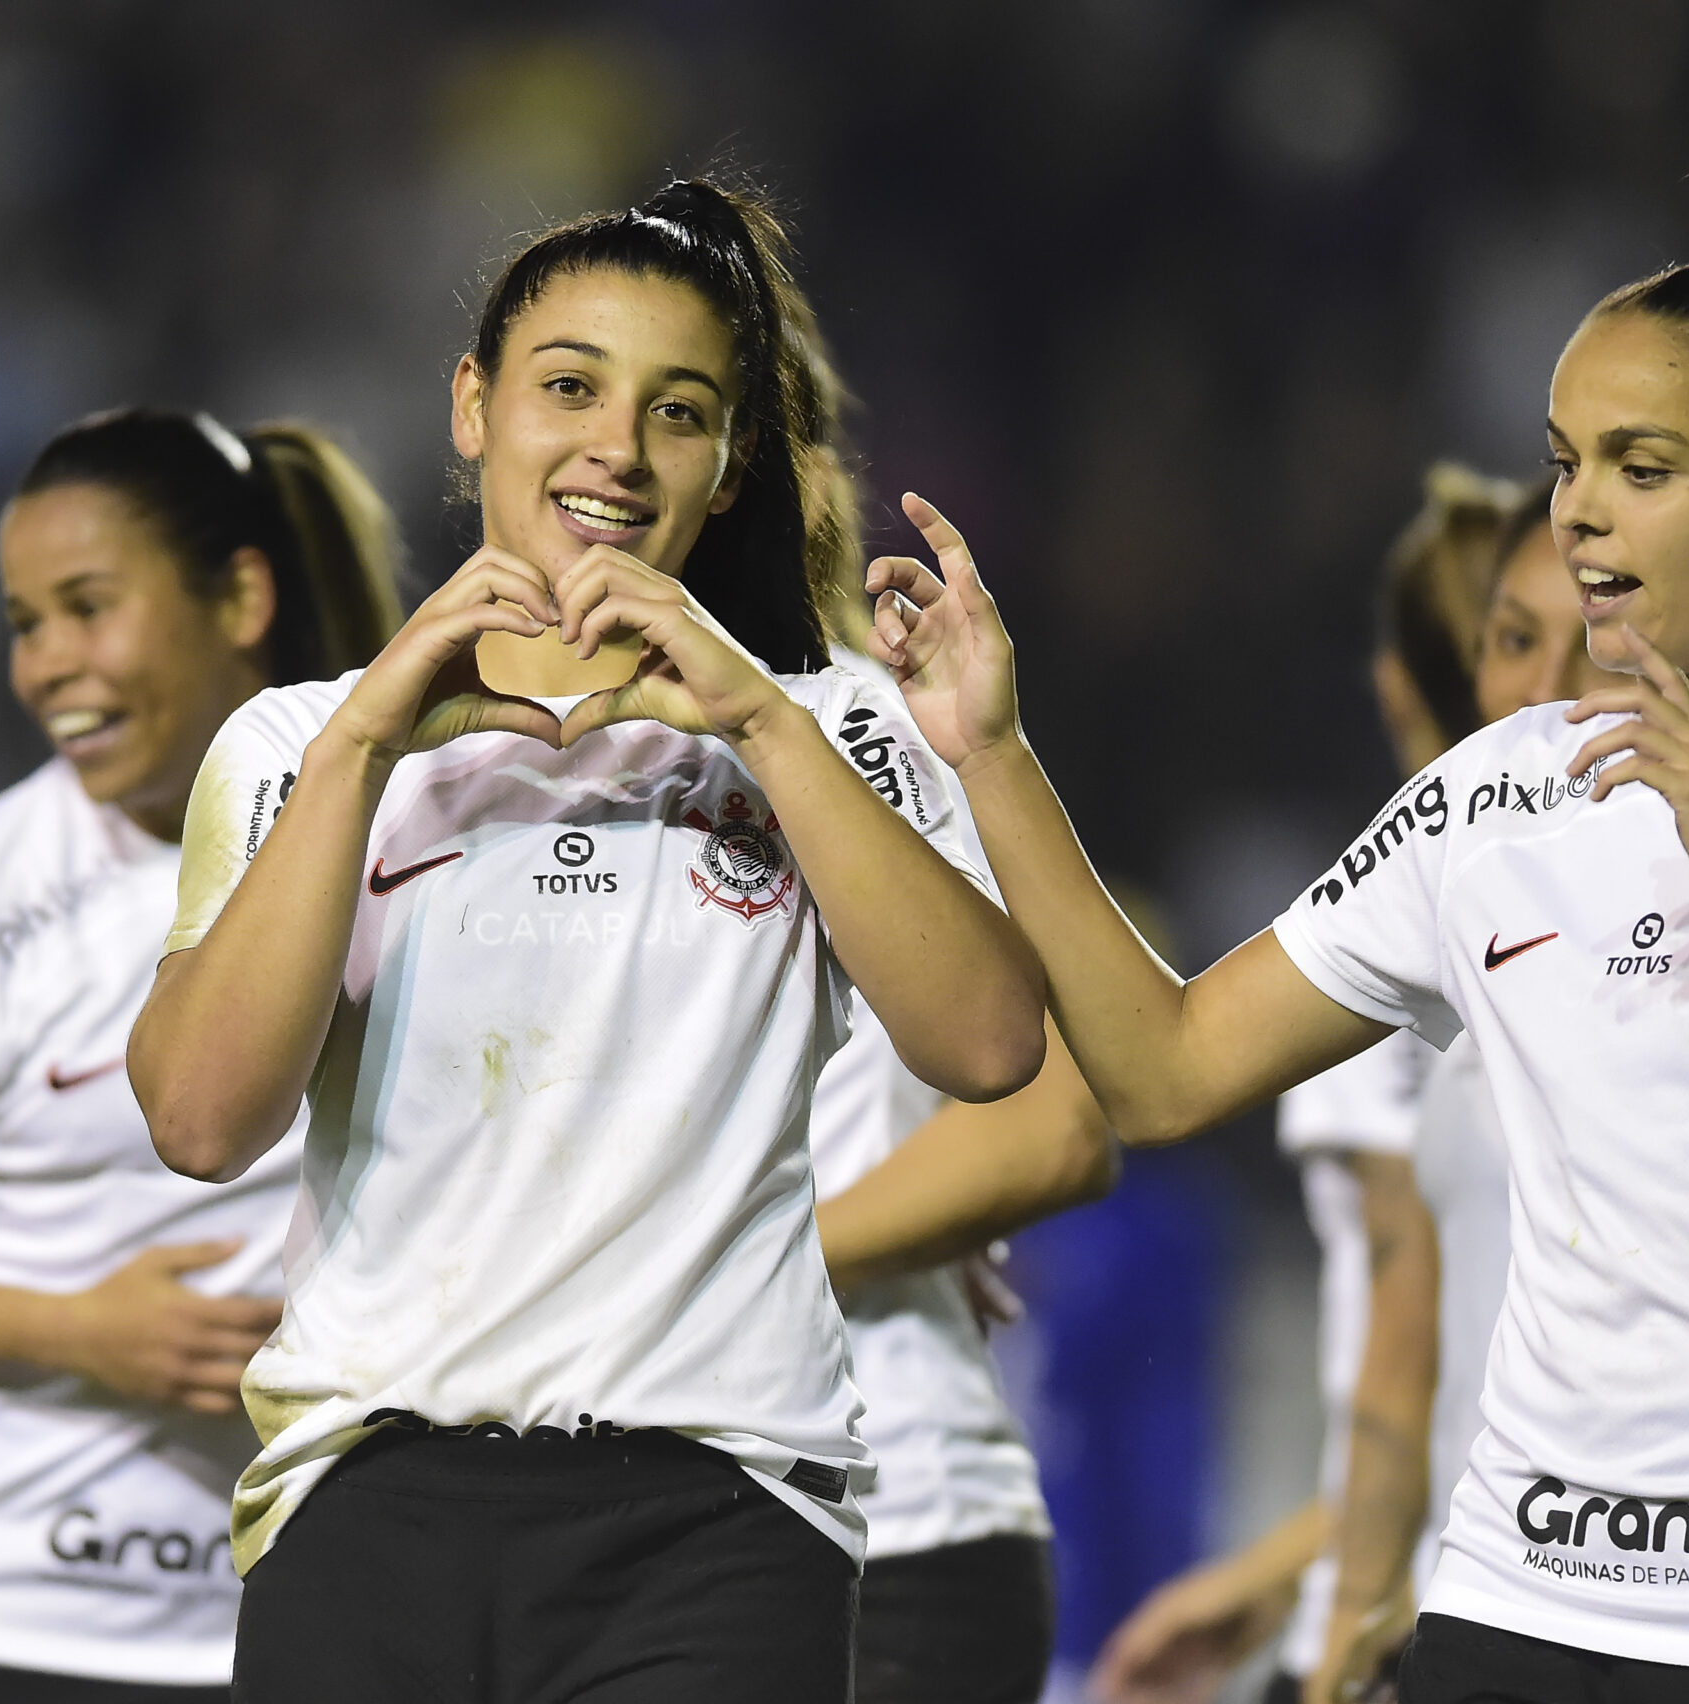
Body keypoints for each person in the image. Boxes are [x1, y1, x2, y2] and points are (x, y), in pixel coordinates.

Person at [868, 123, 1689, 1702]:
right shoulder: (1499, 793)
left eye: (1643, 468)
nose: (1578, 512)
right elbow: (1161, 1069)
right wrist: (996, 755)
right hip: (1530, 1604)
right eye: (1567, 461)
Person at [128, 178, 1047, 1704]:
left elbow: (994, 1044)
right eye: (569, 387)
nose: (617, 448)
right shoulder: (303, 741)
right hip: (366, 1505)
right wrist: (369, 739)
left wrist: (753, 709)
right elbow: (200, 1117)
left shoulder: (832, 730)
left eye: (677, 412)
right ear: (473, 406)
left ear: (736, 460)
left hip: (717, 1519)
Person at [0, 408, 405, 1702]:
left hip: (306, 1616)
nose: (45, 664)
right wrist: (85, 1332)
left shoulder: (414, 838)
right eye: (23, 621)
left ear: (241, 596)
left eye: (86, 607)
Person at [1092, 470, 1602, 1704]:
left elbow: (1404, 1371)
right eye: (1510, 639)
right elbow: (1424, 1390)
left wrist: (1328, 1622)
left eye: (1576, 642)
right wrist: (1298, 1582)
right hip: (1476, 1600)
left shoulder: (1398, 977)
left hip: (1493, 1610)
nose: (1542, 691)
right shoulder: (1445, 937)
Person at [806, 450, 1120, 1704]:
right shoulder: (479, 750)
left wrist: (733, 1262)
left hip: (890, 1516)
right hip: (595, 1516)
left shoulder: (872, 724)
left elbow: (1052, 1125)